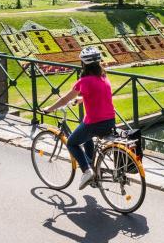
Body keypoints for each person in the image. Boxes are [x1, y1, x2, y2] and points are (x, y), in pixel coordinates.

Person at [44, 46, 116, 190]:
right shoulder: (103, 77)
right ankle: (91, 166)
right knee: (85, 132)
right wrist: (81, 100)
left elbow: (64, 99)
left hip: (95, 123)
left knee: (71, 143)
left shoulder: (84, 81)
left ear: (83, 64)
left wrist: (49, 108)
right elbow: (98, 94)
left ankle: (87, 170)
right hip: (110, 120)